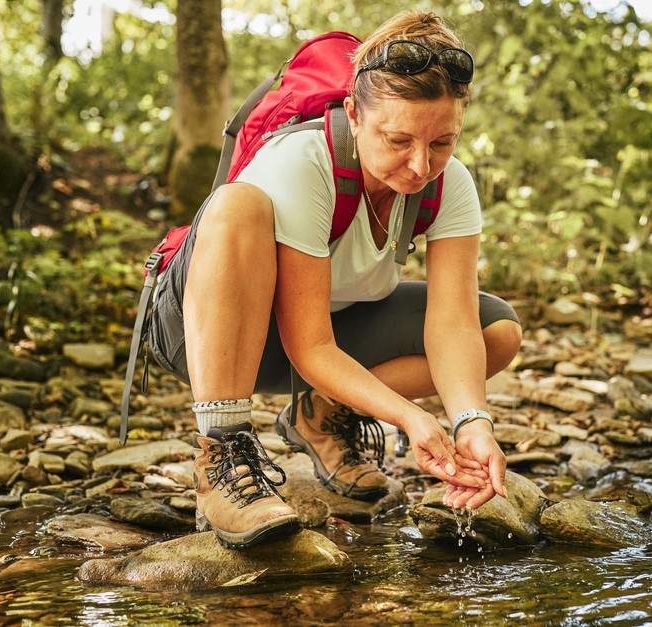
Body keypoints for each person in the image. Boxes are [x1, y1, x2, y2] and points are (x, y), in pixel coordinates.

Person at [146, 11, 523, 549]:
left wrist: (471, 422)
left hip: (317, 341)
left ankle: (322, 415)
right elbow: (310, 345)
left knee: (496, 333)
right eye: (397, 140)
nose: (420, 166)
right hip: (203, 336)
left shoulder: (451, 184)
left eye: (442, 142)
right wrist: (412, 418)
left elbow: (455, 326)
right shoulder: (303, 162)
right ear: (354, 113)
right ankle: (223, 455)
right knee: (237, 206)